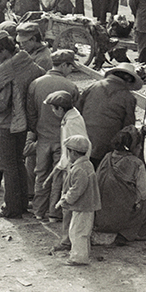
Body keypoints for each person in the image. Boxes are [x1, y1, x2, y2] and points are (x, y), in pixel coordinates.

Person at [0, 31, 45, 218]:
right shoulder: (26, 63)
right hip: (23, 122)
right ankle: (21, 204)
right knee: (18, 163)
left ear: (3, 50)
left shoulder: (7, 70)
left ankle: (11, 208)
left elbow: (0, 103)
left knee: (7, 166)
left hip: (5, 124)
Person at [26, 50, 80, 221]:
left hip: (42, 137)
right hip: (62, 139)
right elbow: (74, 113)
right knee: (59, 176)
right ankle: (54, 213)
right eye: (70, 66)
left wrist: (37, 131)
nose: (71, 70)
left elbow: (31, 113)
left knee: (41, 174)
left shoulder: (35, 84)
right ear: (63, 65)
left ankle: (38, 211)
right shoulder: (71, 87)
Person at [95, 126, 146, 242]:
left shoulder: (107, 157)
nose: (140, 147)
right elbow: (144, 194)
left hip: (99, 218)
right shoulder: (136, 163)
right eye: (138, 145)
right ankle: (136, 233)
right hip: (120, 219)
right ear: (132, 146)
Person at [43, 90, 90, 251]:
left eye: (54, 108)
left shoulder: (72, 123)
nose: (53, 111)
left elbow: (79, 147)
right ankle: (68, 239)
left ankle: (66, 241)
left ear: (61, 109)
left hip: (74, 167)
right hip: (70, 165)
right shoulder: (70, 117)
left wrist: (68, 168)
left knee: (69, 205)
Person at [78, 63, 141, 169]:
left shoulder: (93, 86)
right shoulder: (128, 97)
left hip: (83, 137)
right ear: (128, 80)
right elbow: (128, 126)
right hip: (107, 144)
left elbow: (78, 109)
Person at [55, 134, 101, 266]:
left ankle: (78, 258)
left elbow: (77, 189)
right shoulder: (86, 165)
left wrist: (66, 200)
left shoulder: (80, 169)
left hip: (83, 206)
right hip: (86, 206)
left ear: (73, 152)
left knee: (77, 232)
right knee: (82, 231)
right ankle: (82, 255)